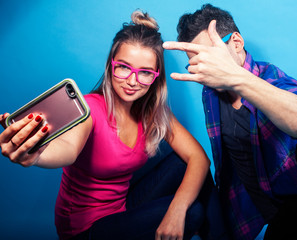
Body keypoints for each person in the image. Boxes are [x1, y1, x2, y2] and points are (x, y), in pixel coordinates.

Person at [0, 10, 211, 240]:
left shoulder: (153, 113)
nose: (132, 81)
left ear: (156, 77)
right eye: (124, 67)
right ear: (111, 66)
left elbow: (199, 157)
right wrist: (37, 154)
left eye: (145, 73)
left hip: (120, 208)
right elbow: (68, 149)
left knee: (185, 169)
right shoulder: (90, 109)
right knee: (194, 212)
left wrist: (176, 209)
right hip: (86, 230)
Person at [163, 4, 297, 240]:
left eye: (211, 57)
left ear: (236, 42)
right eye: (197, 63)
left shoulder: (269, 77)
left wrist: (238, 79)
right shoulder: (211, 93)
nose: (205, 69)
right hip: (280, 210)